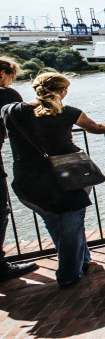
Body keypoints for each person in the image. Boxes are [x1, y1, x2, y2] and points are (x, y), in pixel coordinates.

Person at [1, 73, 105, 288]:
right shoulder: (69, 112)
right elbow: (96, 128)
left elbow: (6, 134)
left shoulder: (11, 111)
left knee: (54, 221)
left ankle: (82, 261)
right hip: (69, 175)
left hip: (29, 178)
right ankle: (69, 275)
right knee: (71, 225)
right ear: (63, 91)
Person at [0, 58, 39, 282]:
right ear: (3, 73)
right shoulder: (6, 95)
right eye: (10, 77)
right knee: (0, 210)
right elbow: (15, 127)